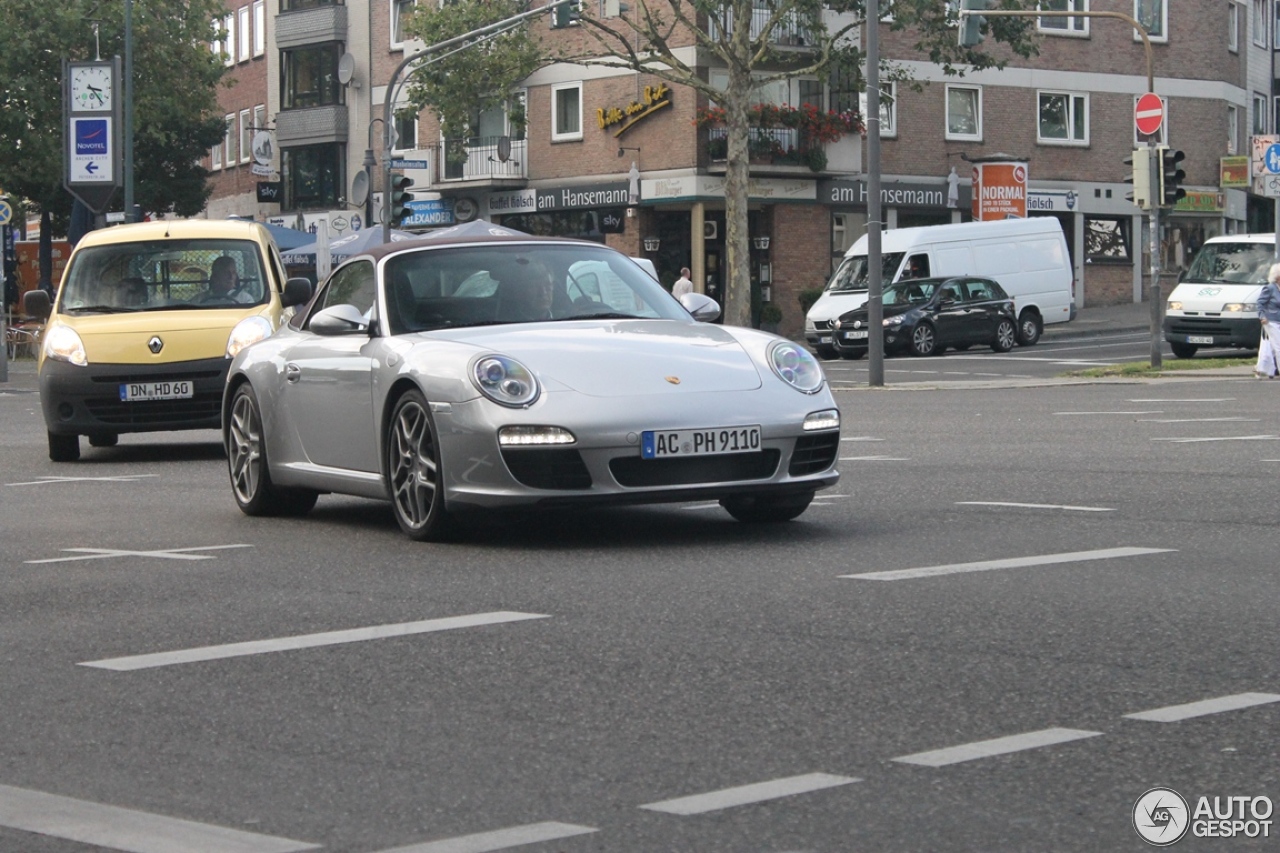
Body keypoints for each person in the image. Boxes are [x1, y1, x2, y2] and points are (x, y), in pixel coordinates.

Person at [1255, 262, 1280, 379]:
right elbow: (1260, 303)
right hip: (1271, 321)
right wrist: (1262, 316)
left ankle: (1261, 369)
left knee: (1268, 347)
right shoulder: (1270, 288)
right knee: (1278, 346)